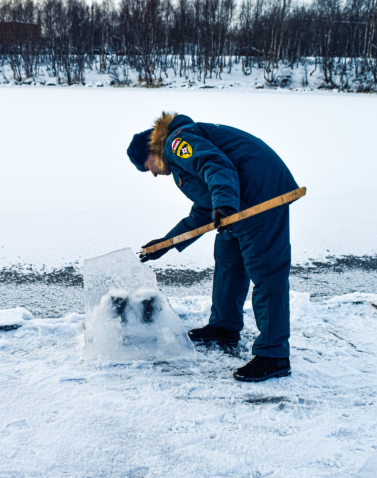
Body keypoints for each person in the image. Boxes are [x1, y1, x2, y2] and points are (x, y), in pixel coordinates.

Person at [127, 112, 299, 382]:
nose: (152, 174)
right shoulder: (180, 154)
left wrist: (225, 204)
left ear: (150, 151)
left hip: (259, 194)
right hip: (237, 198)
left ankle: (274, 355)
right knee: (228, 261)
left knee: (266, 271)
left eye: (146, 167)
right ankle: (224, 327)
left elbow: (216, 164)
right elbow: (204, 210)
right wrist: (166, 243)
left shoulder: (175, 143)